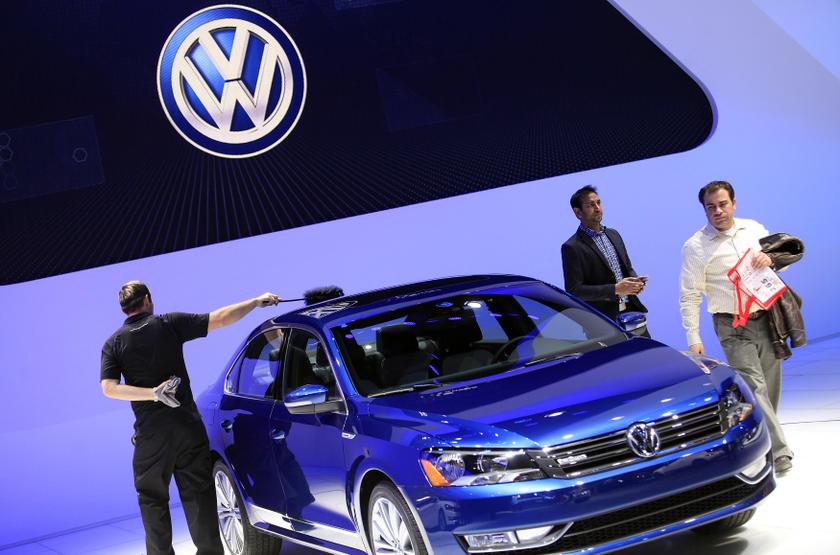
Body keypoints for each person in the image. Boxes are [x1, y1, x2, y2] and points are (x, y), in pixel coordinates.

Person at [100, 281, 281, 555]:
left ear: (123, 308)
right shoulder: (168, 323)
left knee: (152, 502)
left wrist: (152, 394)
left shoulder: (113, 343)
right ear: (147, 299)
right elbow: (220, 318)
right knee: (199, 497)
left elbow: (109, 388)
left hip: (151, 437)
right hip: (186, 428)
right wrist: (255, 301)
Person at [679, 181, 793, 474]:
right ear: (703, 209)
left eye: (722, 204)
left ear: (733, 203)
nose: (718, 211)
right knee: (753, 385)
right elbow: (689, 294)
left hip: (766, 317)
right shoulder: (695, 247)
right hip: (731, 325)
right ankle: (780, 451)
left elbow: (783, 262)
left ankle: (765, 440)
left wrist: (770, 259)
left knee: (769, 385)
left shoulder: (754, 229)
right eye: (711, 207)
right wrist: (694, 337)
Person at [561, 185, 649, 333]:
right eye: (590, 205)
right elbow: (574, 290)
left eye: (599, 203)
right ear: (578, 212)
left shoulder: (613, 234)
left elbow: (627, 267)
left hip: (631, 314)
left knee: (647, 355)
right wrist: (615, 289)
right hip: (601, 322)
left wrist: (634, 282)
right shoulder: (572, 247)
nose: (597, 208)